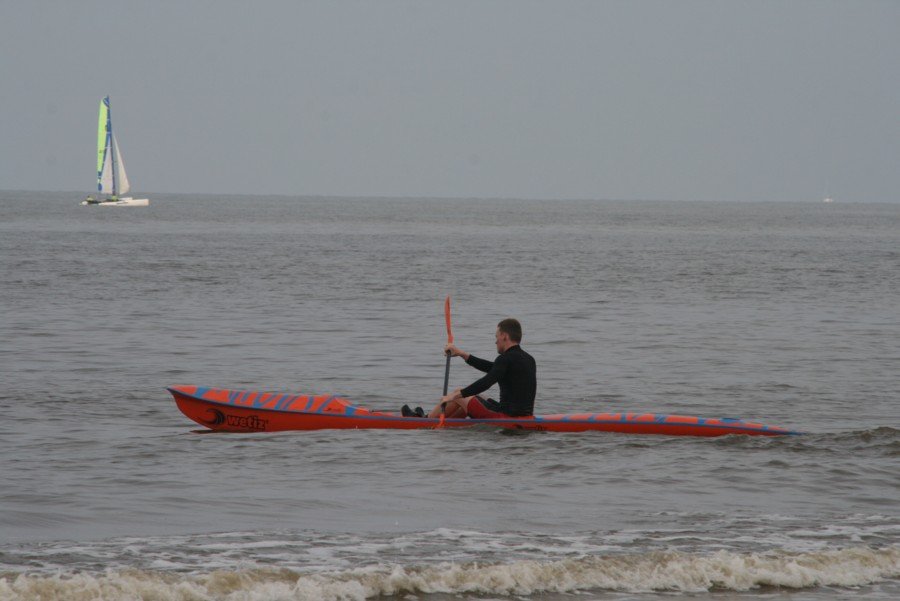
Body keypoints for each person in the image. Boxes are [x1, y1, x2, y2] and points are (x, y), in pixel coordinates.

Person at [402, 318, 536, 419]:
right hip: (525, 415)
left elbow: (486, 382)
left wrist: (455, 395)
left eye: (496, 337)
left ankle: (425, 421)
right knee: (474, 397)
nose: (495, 341)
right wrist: (462, 354)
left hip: (506, 417)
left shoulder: (505, 359)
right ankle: (445, 425)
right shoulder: (529, 359)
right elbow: (492, 368)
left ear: (504, 336)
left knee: (459, 394)